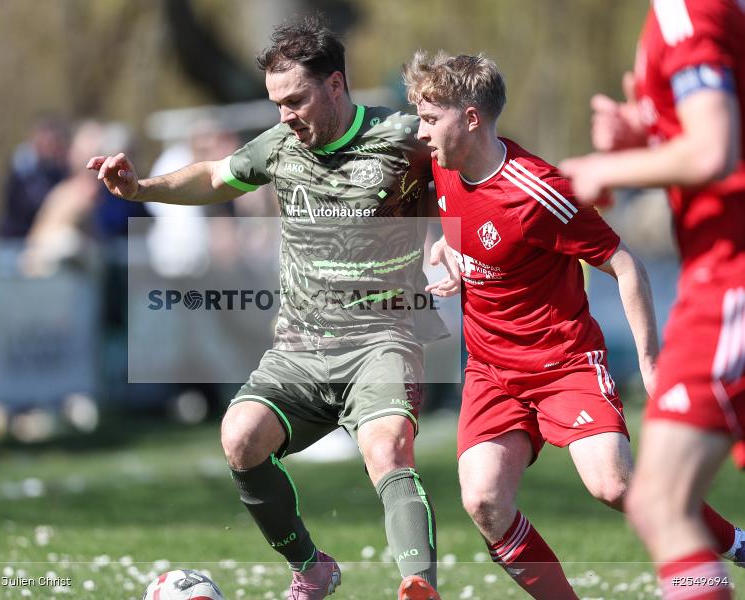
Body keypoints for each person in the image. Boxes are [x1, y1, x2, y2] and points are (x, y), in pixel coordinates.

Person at [89, 16, 442, 600]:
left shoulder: (404, 135)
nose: (285, 115)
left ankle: (417, 585)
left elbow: (471, 174)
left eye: (296, 99)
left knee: (388, 449)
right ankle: (310, 567)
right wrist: (141, 189)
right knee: (240, 437)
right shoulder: (280, 145)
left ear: (335, 84)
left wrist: (448, 240)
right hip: (300, 348)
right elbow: (214, 177)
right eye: (276, 103)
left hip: (384, 339)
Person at [403, 50, 744, 599]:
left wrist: (653, 365)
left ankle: (733, 545)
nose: (420, 132)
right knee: (484, 500)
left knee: (614, 485)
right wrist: (446, 248)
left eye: (428, 118)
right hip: (491, 370)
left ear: (471, 117)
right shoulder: (443, 166)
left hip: (563, 365)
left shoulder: (537, 191)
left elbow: (625, 264)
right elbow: (463, 219)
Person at [559, 1, 745, 597]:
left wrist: (606, 170)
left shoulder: (686, 10)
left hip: (731, 278)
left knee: (660, 498)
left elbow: (713, 149)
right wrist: (646, 128)